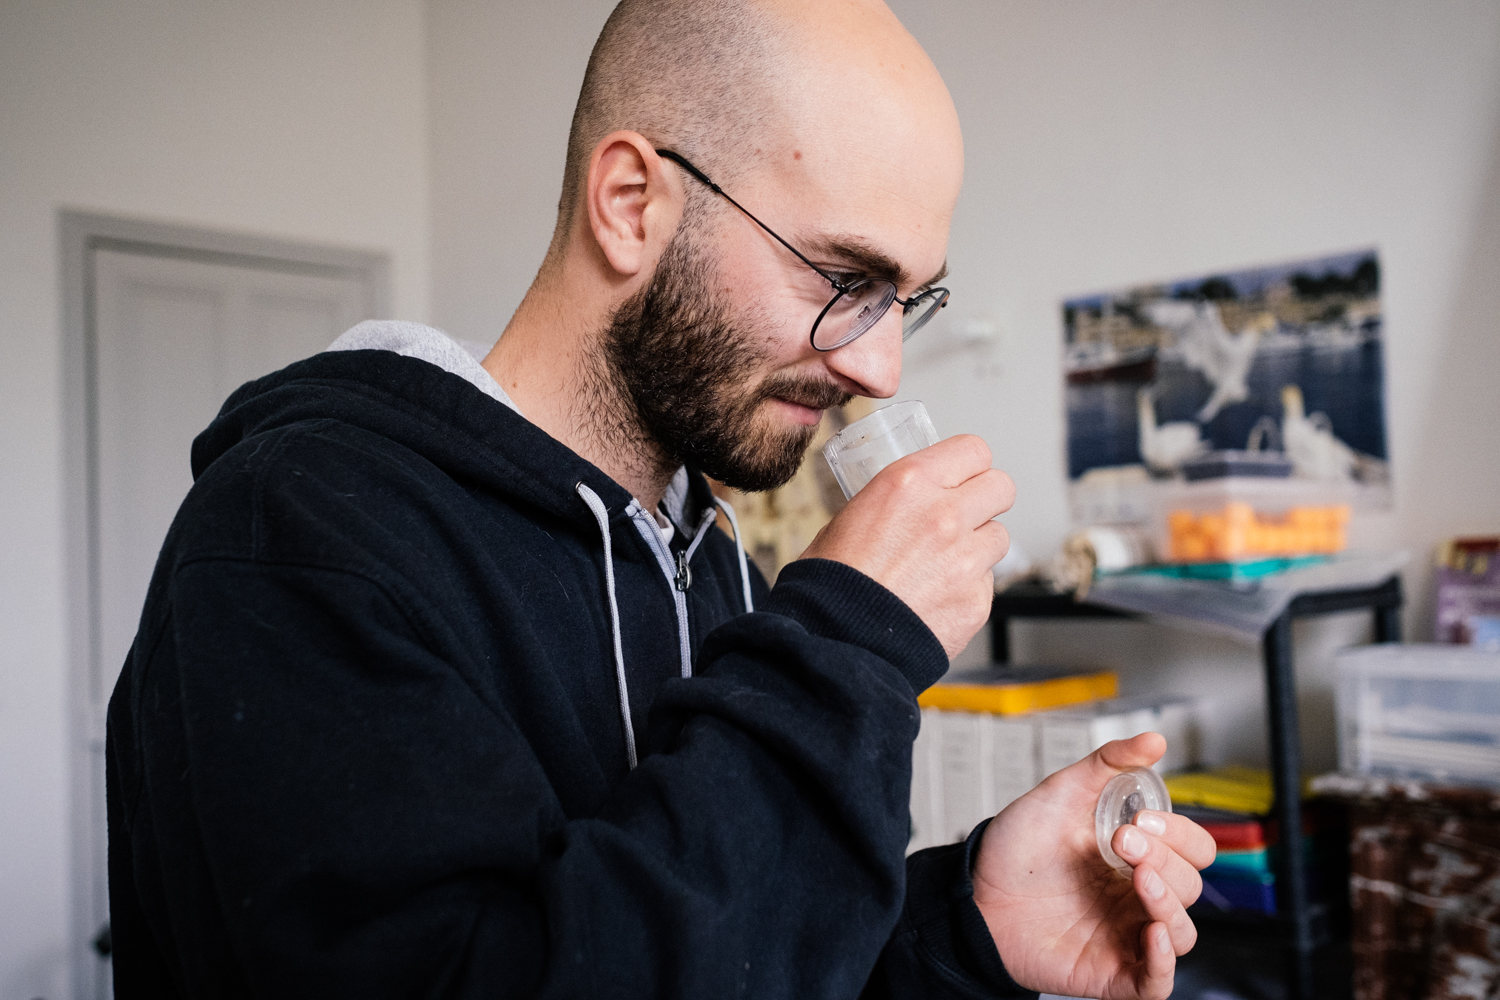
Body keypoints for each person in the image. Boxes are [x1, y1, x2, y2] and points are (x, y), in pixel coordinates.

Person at [106, 1, 1214, 997]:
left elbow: (725, 950)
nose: (881, 369)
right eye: (843, 280)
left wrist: (965, 923)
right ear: (631, 202)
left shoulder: (715, 564)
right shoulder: (298, 534)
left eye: (907, 301)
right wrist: (846, 643)